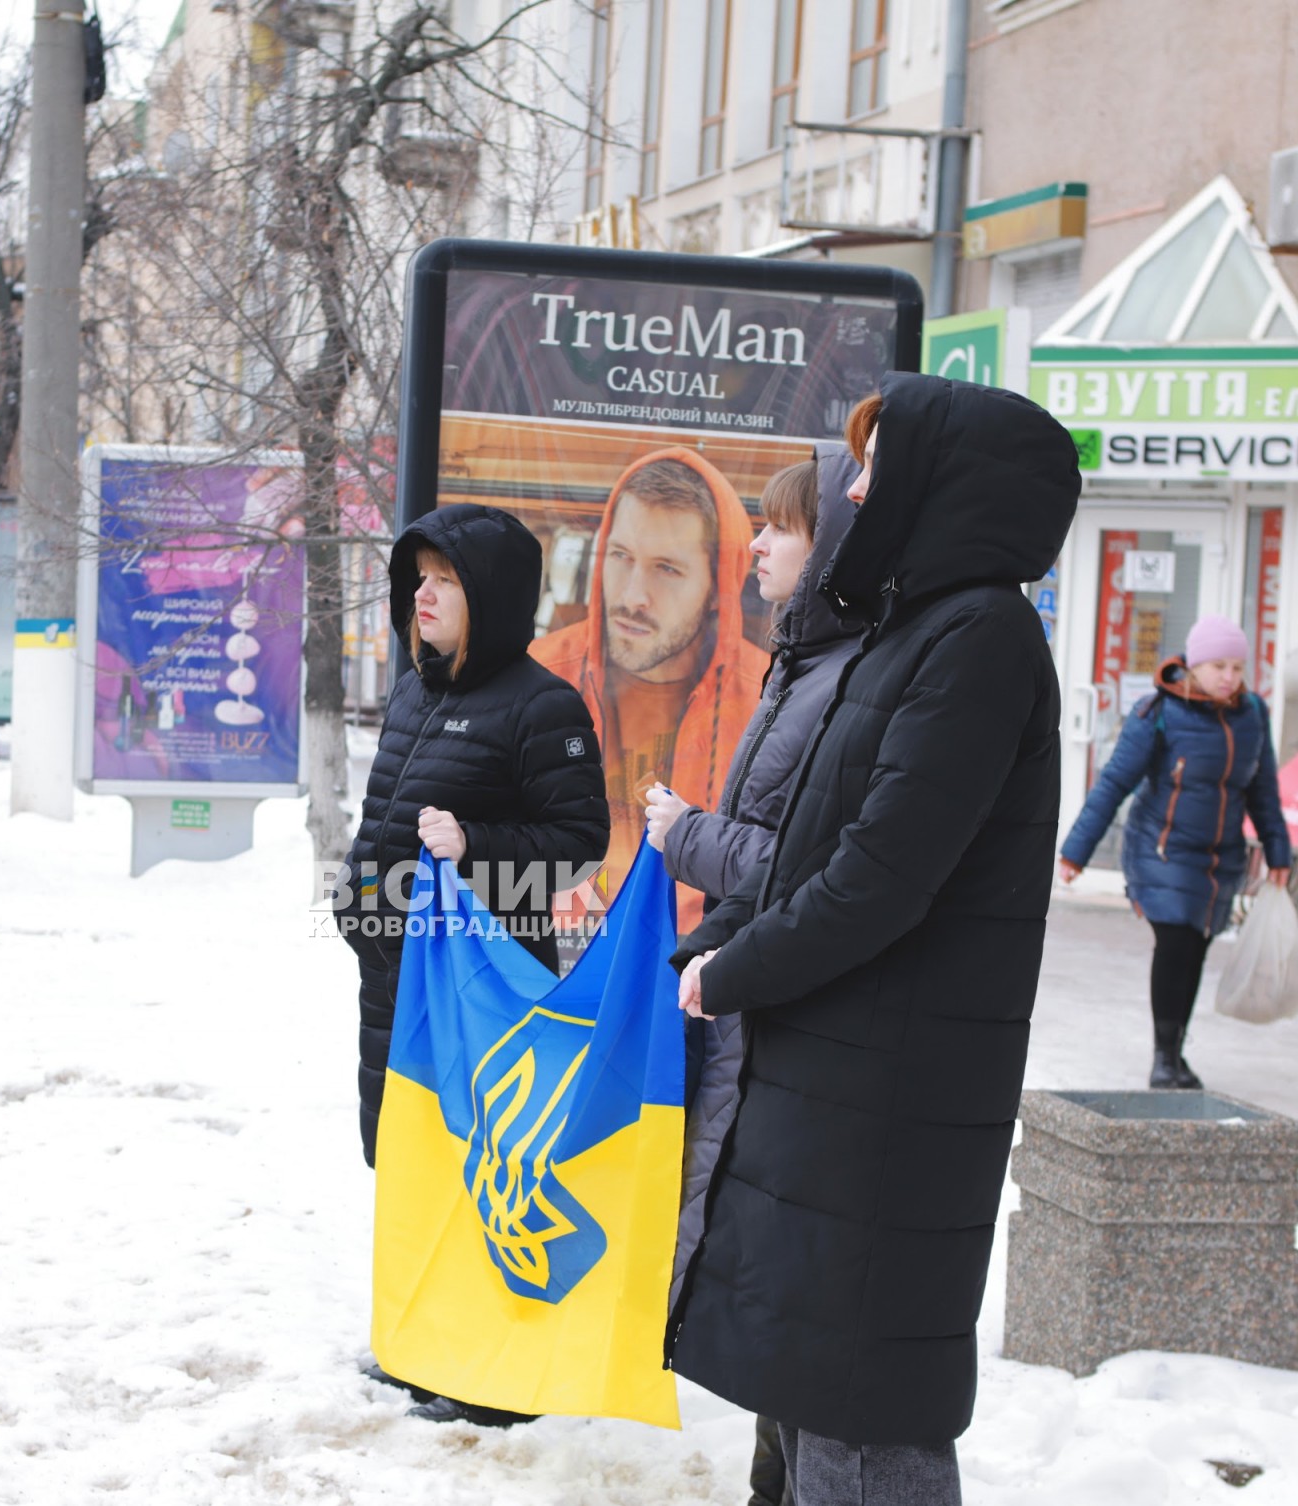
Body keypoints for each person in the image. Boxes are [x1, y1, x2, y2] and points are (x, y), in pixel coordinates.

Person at [667, 374, 1081, 1506]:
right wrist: (707, 957)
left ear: (938, 486)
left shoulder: (979, 640)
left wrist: (733, 972)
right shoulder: (907, 636)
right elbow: (809, 847)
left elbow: (877, 878)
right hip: (833, 1075)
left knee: (858, 1411)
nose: (852, 491)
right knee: (806, 1391)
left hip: (888, 1095)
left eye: (870, 468)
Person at [337, 502, 607, 1426]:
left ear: (488, 597)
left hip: (477, 994)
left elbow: (577, 845)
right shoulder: (418, 689)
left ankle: (491, 1378)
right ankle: (423, 1346)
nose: (426, 594)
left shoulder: (544, 706)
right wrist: (356, 902)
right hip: (395, 982)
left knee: (479, 1168)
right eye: (419, 578)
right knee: (406, 1155)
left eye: (446, 580)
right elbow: (386, 820)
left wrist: (476, 845)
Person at [642, 449, 863, 1506]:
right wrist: (701, 950)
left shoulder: (836, 676)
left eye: (782, 529)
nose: (760, 547)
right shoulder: (803, 661)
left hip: (790, 1017)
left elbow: (809, 866)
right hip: (750, 1001)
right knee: (761, 1281)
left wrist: (687, 838)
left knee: (784, 1286)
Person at [530, 450, 771, 932]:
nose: (633, 596)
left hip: (695, 970)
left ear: (718, 585)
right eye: (620, 556)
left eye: (667, 568)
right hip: (561, 958)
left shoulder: (768, 698)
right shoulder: (540, 674)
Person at [1057, 615, 1293, 1089]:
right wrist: (1076, 851)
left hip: (1218, 856)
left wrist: (1278, 852)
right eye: (1218, 665)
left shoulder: (1252, 716)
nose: (1229, 676)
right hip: (1161, 850)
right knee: (1177, 943)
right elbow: (1114, 784)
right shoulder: (1159, 713)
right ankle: (1164, 1058)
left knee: (1197, 949)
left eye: (1236, 666)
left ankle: (1175, 1053)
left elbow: (1263, 789)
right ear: (1194, 666)